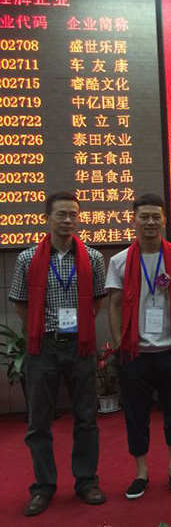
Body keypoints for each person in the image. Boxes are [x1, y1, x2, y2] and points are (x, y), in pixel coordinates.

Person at [9, 192, 107, 516]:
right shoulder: (27, 258)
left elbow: (97, 301)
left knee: (86, 418)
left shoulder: (93, 258)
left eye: (73, 215)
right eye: (61, 214)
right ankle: (43, 487)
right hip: (43, 348)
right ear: (47, 218)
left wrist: (79, 329)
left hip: (80, 346)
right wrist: (42, 330)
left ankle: (86, 482)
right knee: (39, 422)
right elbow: (21, 304)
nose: (67, 220)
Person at [106, 194, 171, 499]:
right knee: (136, 417)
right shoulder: (119, 260)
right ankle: (141, 473)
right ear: (134, 220)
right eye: (143, 217)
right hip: (135, 354)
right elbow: (114, 304)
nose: (150, 222)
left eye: (155, 216)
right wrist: (119, 341)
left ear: (164, 220)